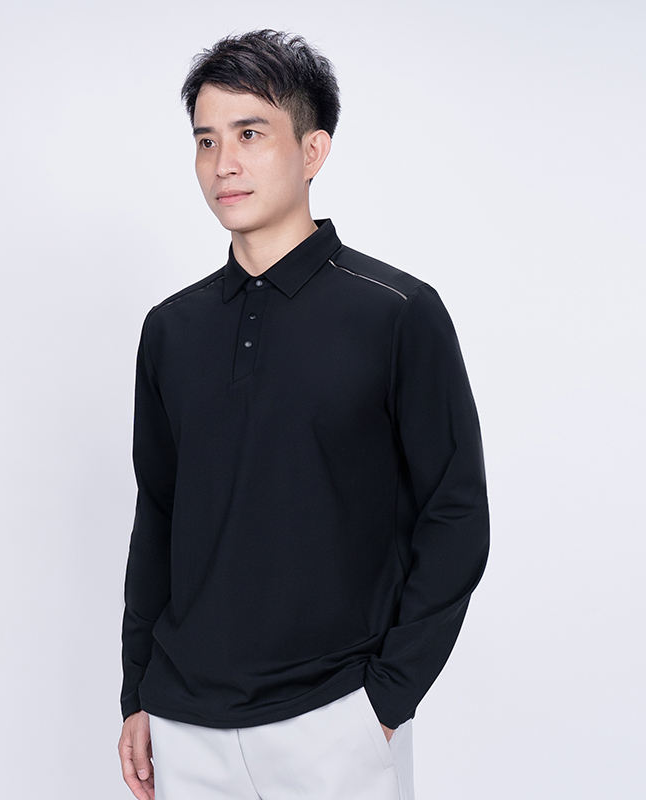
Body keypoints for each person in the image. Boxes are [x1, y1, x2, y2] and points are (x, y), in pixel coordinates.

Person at [117, 28, 490, 800]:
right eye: (207, 141)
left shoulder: (396, 313)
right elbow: (159, 516)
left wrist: (387, 699)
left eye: (250, 134)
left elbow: (455, 513)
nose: (224, 163)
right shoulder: (172, 330)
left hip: (334, 722)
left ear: (313, 150)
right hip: (186, 725)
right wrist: (138, 692)